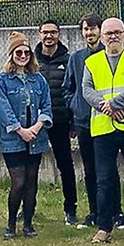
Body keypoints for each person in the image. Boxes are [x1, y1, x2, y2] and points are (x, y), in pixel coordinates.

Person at [82, 17, 124, 244]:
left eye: (117, 32)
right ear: (101, 36)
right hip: (102, 129)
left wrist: (113, 104)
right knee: (103, 180)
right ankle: (104, 227)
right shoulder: (91, 62)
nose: (113, 36)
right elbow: (86, 90)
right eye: (108, 33)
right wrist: (107, 107)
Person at [63, 15, 124, 230]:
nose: (90, 33)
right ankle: (95, 212)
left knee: (109, 169)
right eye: (86, 29)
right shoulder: (76, 58)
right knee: (90, 170)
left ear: (101, 31)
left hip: (109, 120)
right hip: (84, 122)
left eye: (93, 29)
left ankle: (116, 212)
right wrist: (76, 106)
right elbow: (68, 88)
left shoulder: (110, 54)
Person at [0, 32, 53, 239]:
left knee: (32, 182)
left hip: (36, 139)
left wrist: (36, 128)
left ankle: (28, 223)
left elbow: (46, 105)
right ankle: (11, 223)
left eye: (26, 52)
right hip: (14, 140)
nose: (22, 55)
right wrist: (20, 130)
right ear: (11, 55)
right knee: (18, 182)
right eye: (18, 52)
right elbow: (3, 109)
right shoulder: (2, 80)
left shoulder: (38, 79)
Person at [35, 19, 78, 226]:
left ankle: (71, 209)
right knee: (30, 167)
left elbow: (73, 90)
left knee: (65, 166)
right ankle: (28, 209)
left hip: (60, 121)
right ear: (39, 35)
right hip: (35, 124)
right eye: (45, 32)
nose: (49, 36)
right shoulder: (31, 60)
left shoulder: (69, 60)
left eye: (53, 32)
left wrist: (73, 122)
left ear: (59, 34)